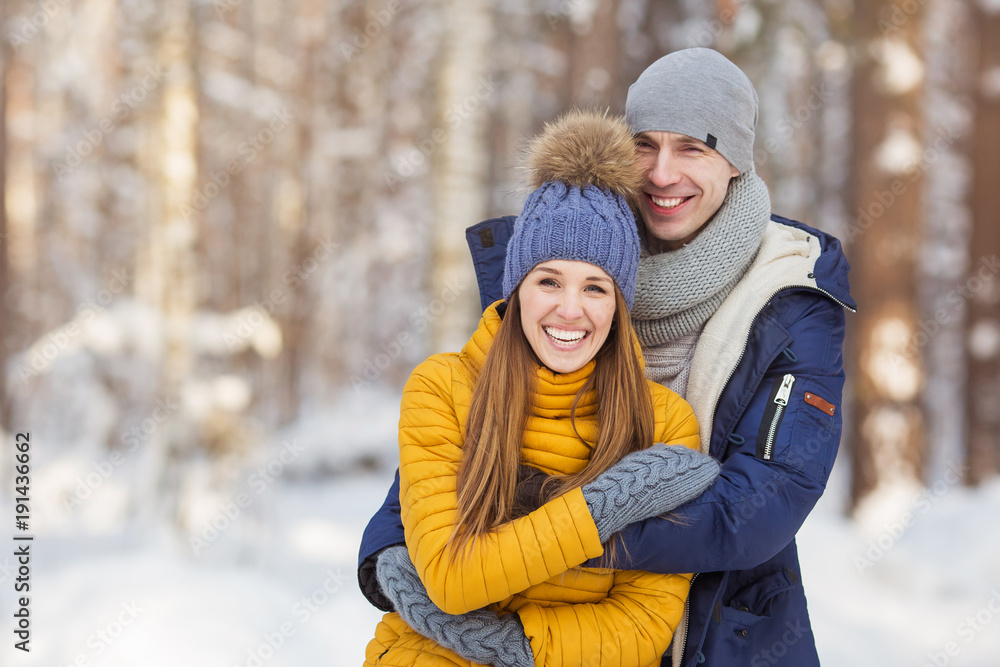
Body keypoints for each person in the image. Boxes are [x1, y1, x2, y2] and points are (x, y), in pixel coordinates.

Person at [360, 48, 856, 666]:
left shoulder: (792, 298)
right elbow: (458, 438)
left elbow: (759, 508)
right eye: (645, 144)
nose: (662, 172)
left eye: (693, 148)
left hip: (714, 623)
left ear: (735, 163)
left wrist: (523, 524)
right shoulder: (568, 246)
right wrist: (391, 548)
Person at [364, 110, 722, 666]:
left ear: (620, 305)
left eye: (596, 287)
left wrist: (513, 646)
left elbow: (646, 623)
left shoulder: (665, 423)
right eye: (549, 280)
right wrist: (609, 502)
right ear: (516, 289)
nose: (570, 309)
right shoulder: (442, 389)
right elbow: (452, 579)